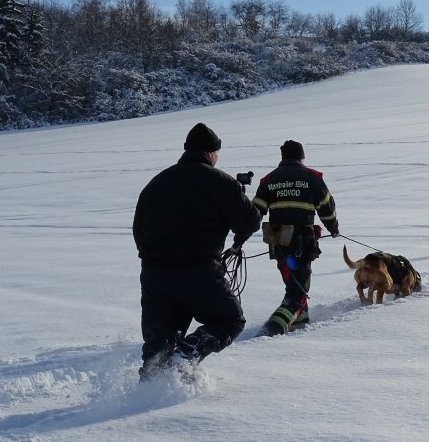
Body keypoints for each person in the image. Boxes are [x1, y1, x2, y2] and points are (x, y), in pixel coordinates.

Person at [133, 122, 261, 381]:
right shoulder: (221, 182)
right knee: (230, 320)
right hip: (199, 272)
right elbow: (249, 222)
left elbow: (138, 228)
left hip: (154, 274)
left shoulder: (157, 182)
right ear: (211, 153)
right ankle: (184, 358)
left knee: (158, 345)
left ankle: (146, 395)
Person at [253, 140, 339, 336]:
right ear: (302, 156)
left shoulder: (269, 180)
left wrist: (240, 237)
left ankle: (300, 321)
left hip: (277, 239)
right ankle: (274, 328)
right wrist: (333, 228)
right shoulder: (312, 178)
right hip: (302, 239)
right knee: (299, 288)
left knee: (291, 277)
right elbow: (327, 208)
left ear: (282, 157)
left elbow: (255, 212)